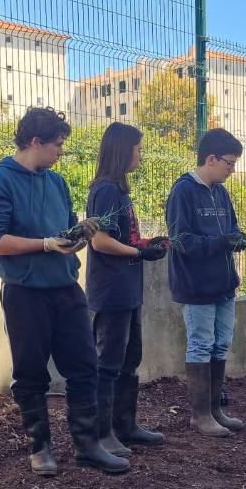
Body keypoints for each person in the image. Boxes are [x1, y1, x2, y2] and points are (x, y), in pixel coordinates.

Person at [0, 107, 128, 475]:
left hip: (66, 288)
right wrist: (45, 244)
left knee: (84, 367)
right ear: (35, 142)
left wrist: (77, 234)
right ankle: (40, 448)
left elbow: (64, 232)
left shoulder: (57, 182)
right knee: (31, 372)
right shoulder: (0, 181)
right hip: (25, 292)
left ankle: (88, 445)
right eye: (57, 144)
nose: (60, 152)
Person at [86, 122, 169, 456]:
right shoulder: (105, 190)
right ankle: (102, 433)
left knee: (129, 358)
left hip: (129, 290)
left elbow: (123, 238)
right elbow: (101, 240)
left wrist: (150, 243)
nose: (141, 154)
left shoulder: (120, 192)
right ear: (123, 150)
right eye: (138, 148)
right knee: (108, 362)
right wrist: (139, 252)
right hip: (111, 291)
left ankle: (125, 425)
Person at [166, 128, 246, 437]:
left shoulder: (220, 192)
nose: (232, 169)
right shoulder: (184, 191)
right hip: (196, 284)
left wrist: (237, 238)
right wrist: (220, 242)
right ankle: (200, 415)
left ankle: (215, 410)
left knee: (221, 343)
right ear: (211, 159)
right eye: (229, 163)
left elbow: (232, 227)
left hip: (224, 283)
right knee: (201, 344)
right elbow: (181, 240)